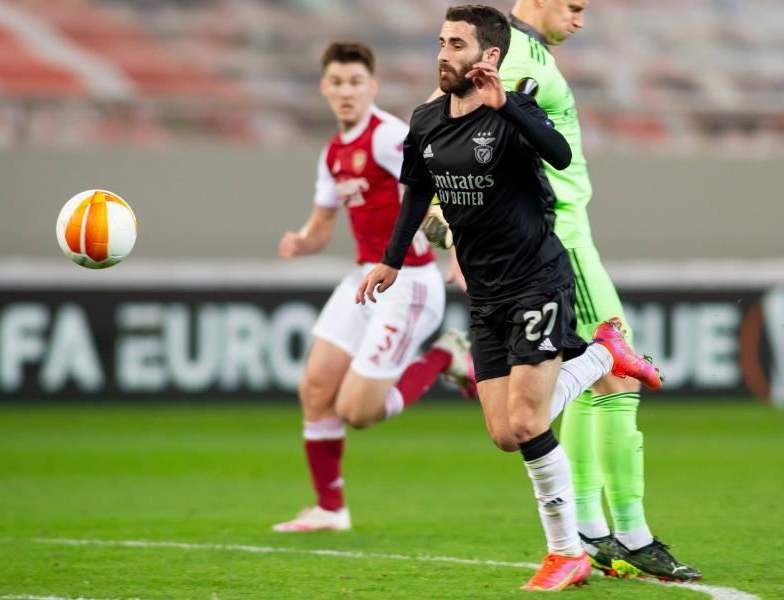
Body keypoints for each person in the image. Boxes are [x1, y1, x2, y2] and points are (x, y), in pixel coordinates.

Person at [355, 6, 661, 591]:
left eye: (457, 45)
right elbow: (417, 193)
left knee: (527, 418)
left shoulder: (514, 112)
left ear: (488, 58)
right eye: (441, 42)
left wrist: (510, 107)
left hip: (536, 278)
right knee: (504, 433)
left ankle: (567, 551)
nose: (443, 54)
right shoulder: (424, 121)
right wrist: (391, 258)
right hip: (487, 292)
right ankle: (604, 353)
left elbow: (561, 155)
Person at [422, 0, 701, 581]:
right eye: (574, 5)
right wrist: (452, 234)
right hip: (556, 239)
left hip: (557, 235)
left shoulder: (525, 51)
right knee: (617, 371)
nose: (580, 18)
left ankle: (589, 529)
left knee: (573, 386)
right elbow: (453, 133)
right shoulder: (512, 54)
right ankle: (630, 533)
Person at [271, 41, 472, 534]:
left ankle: (446, 355)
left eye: (356, 82)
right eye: (337, 82)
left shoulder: (388, 137)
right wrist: (301, 241)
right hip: (365, 276)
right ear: (325, 87)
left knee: (357, 412)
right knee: (315, 389)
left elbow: (435, 196)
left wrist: (458, 250)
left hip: (409, 282)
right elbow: (322, 227)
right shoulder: (334, 153)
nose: (346, 92)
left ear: (372, 87)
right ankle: (330, 508)